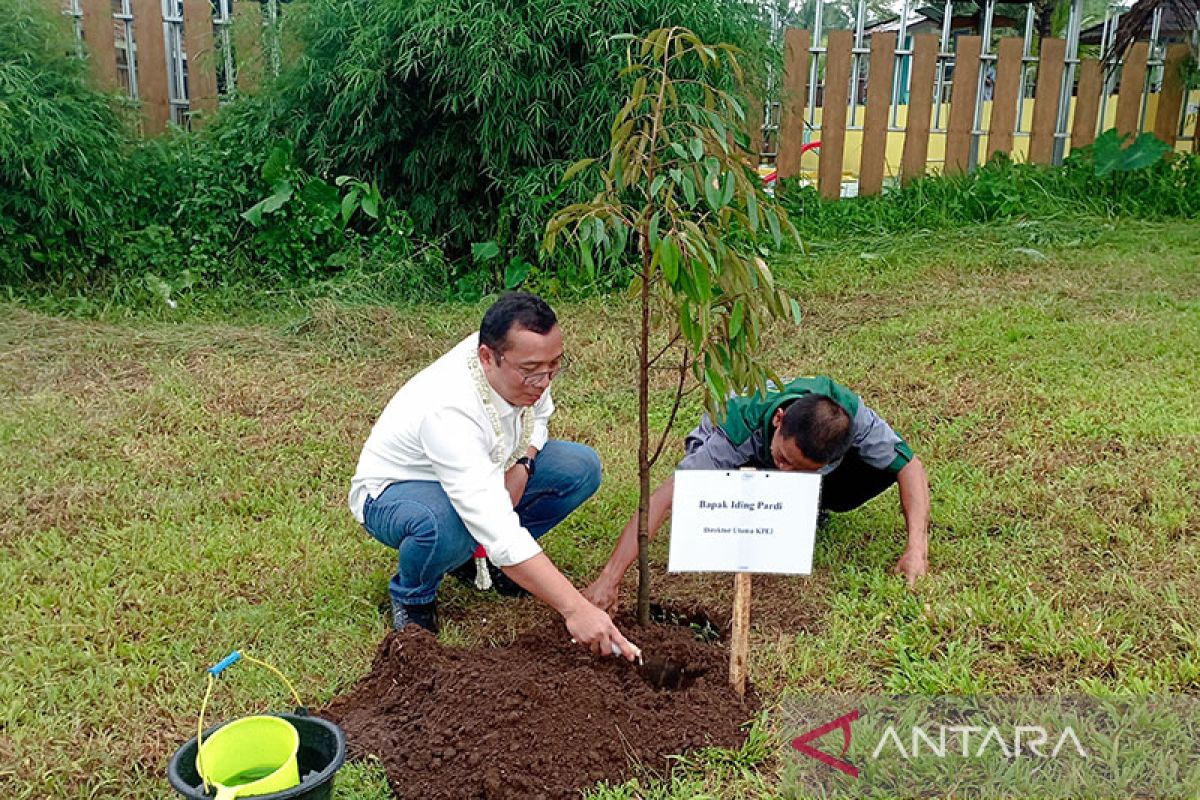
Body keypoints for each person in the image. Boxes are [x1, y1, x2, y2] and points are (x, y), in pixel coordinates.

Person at [350, 292, 637, 660]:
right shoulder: (449, 409)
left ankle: (488, 566)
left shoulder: (523, 364)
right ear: (487, 357)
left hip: (489, 467)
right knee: (446, 524)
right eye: (532, 371)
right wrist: (576, 609)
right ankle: (413, 596)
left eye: (554, 366)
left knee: (579, 468)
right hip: (395, 494)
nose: (544, 381)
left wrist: (524, 464)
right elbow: (497, 526)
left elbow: (540, 418)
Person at [583, 376, 931, 614]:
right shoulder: (736, 427)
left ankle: (809, 507)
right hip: (739, 462)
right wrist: (608, 580)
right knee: (706, 501)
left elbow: (909, 465)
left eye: (801, 469)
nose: (786, 473)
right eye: (783, 459)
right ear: (779, 419)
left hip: (815, 462)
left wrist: (916, 549)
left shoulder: (852, 417)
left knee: (882, 465)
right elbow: (668, 496)